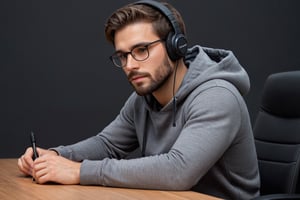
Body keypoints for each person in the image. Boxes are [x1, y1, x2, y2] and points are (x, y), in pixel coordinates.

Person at [17, 0, 260, 199]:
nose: (130, 65)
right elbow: (107, 145)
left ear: (176, 47)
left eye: (141, 50)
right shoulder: (142, 100)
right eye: (122, 56)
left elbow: (179, 171)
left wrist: (80, 171)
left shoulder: (217, 95)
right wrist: (56, 156)